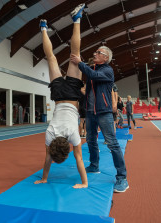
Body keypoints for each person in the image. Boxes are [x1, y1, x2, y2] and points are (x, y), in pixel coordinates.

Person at [34, 4, 88, 189]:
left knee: (76, 55)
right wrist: (44, 178)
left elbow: (79, 158)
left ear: (66, 152)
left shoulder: (74, 136)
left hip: (72, 95)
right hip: (58, 96)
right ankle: (43, 28)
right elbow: (48, 158)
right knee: (51, 58)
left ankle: (77, 19)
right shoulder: (49, 135)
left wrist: (84, 183)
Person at [70, 46, 129, 192]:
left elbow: (94, 76)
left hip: (104, 112)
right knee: (90, 139)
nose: (95, 54)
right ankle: (94, 165)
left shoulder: (107, 70)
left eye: (98, 53)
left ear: (106, 58)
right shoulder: (93, 69)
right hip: (90, 112)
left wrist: (80, 63)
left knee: (112, 143)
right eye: (95, 52)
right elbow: (89, 85)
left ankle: (122, 177)